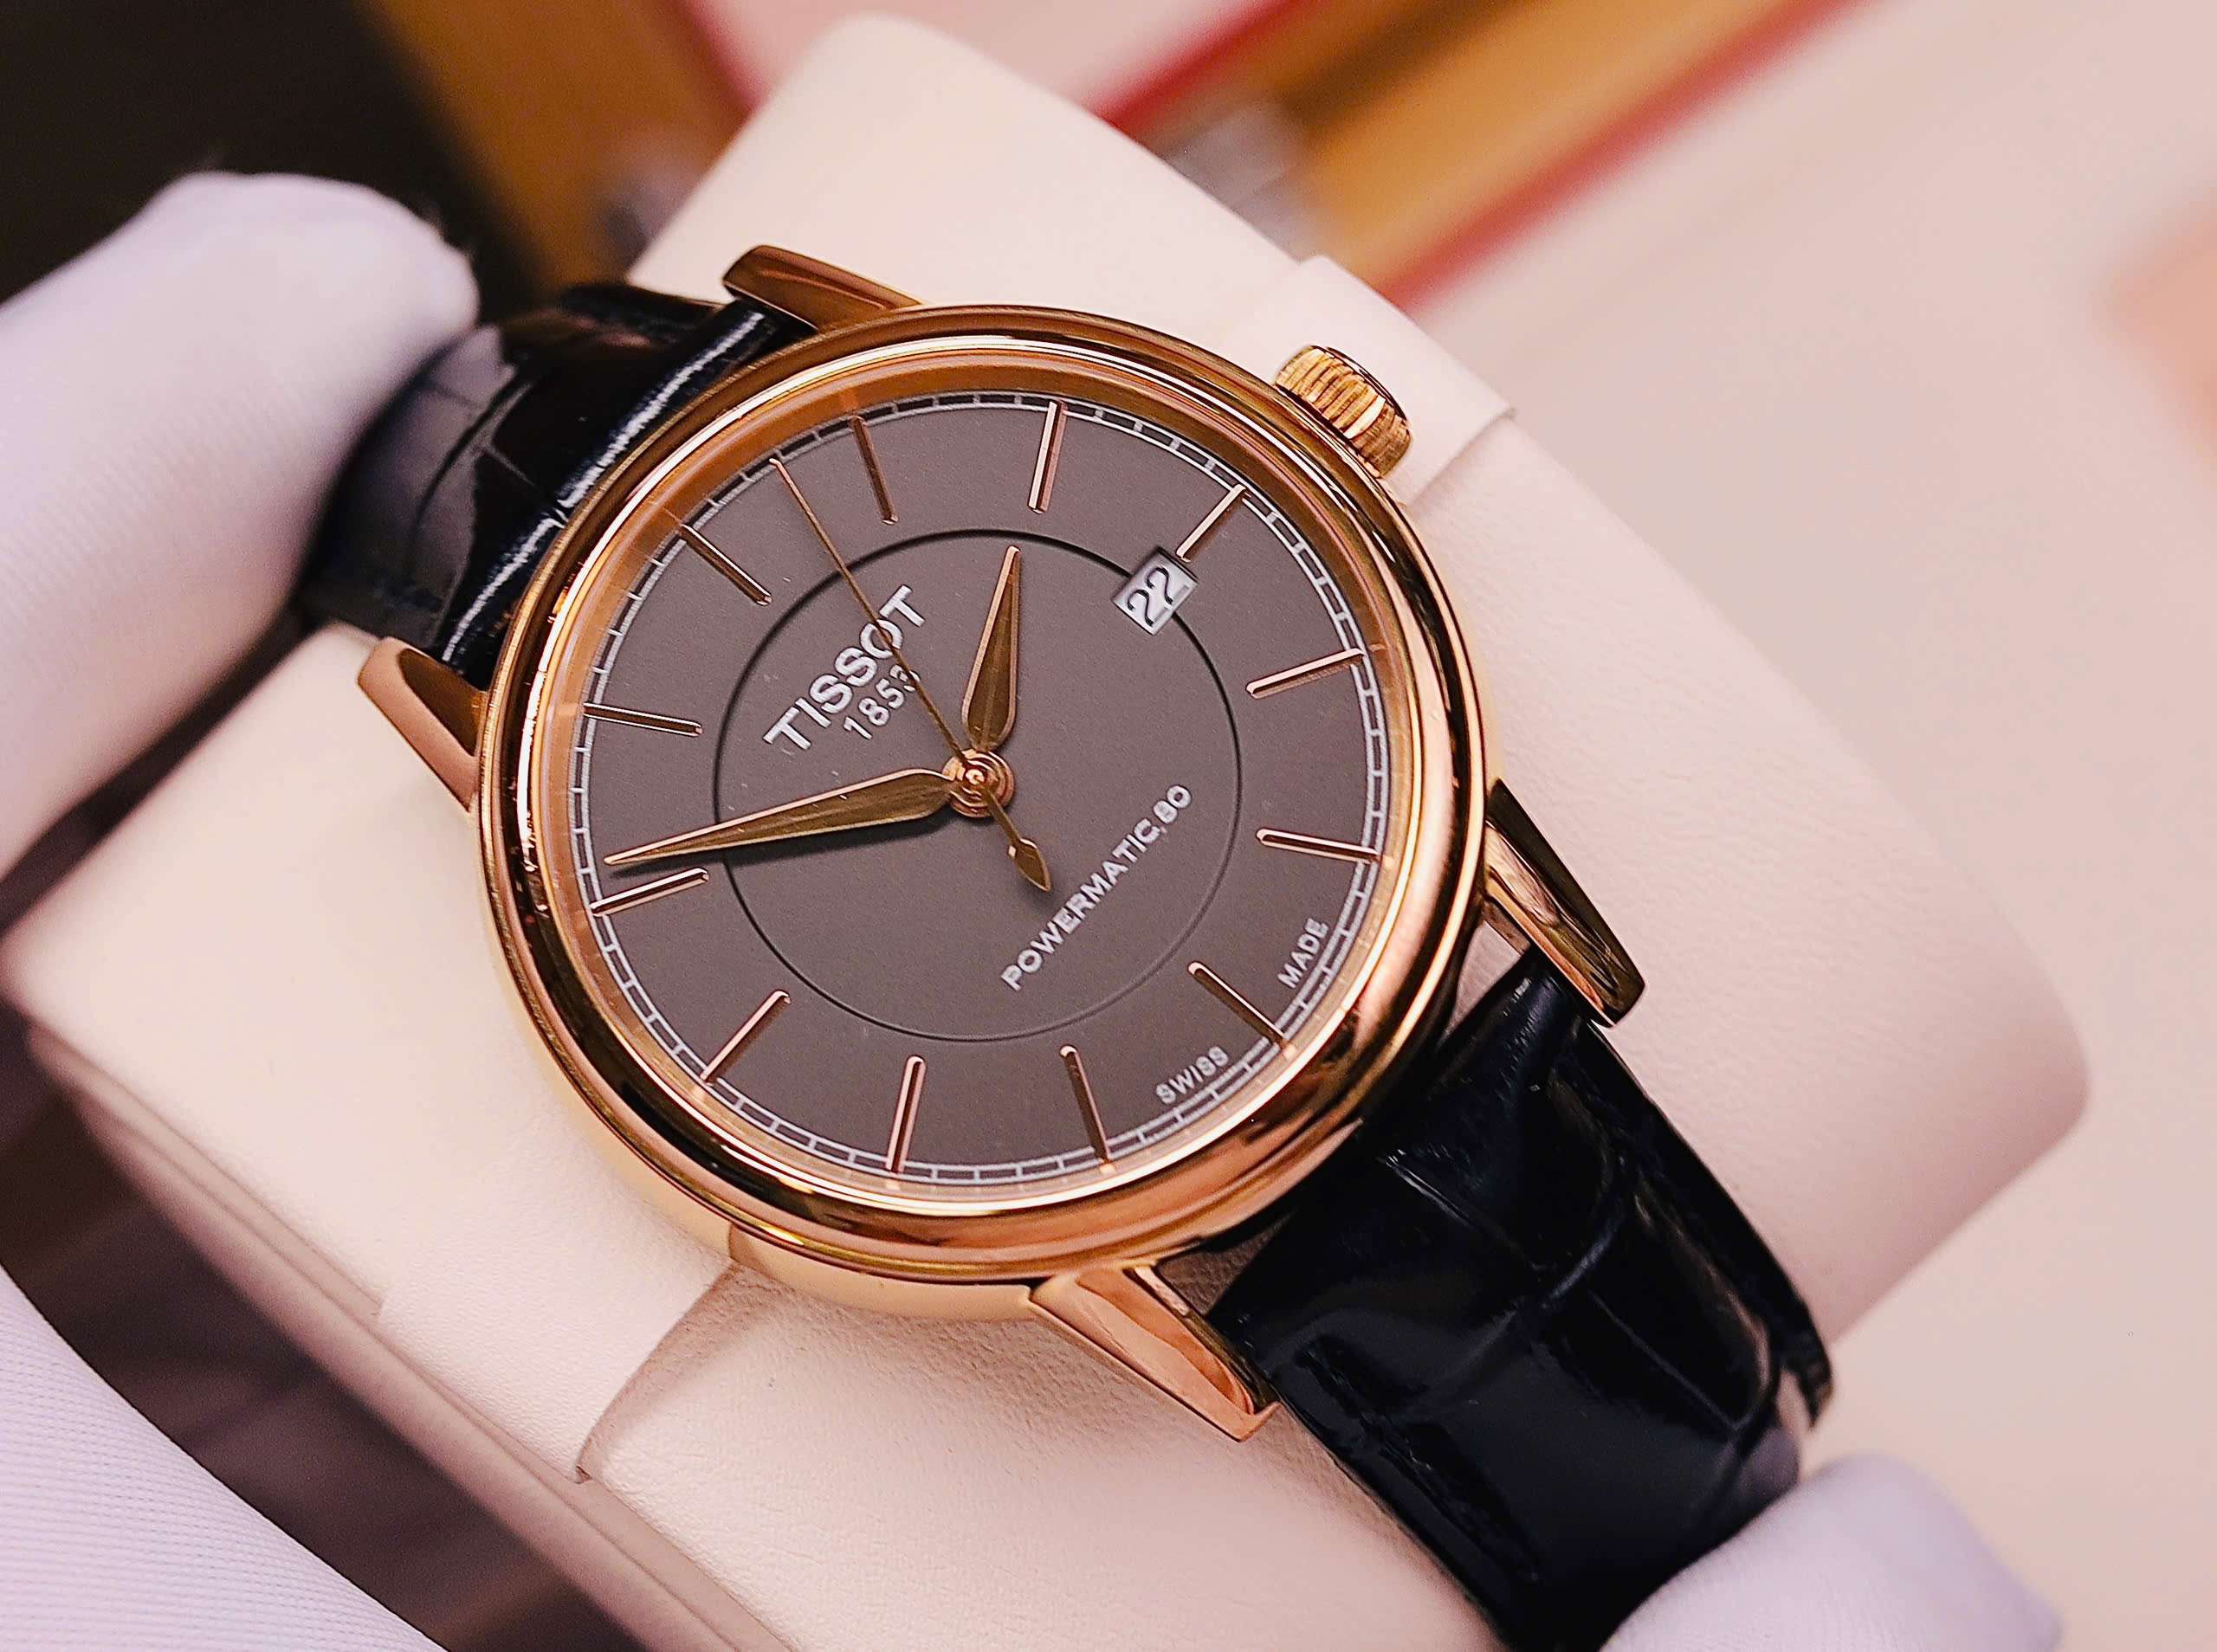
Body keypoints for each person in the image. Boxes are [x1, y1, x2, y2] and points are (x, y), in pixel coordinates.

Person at [0, 175, 2060, 1652]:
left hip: (1394, 975)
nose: (974, 782)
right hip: (1185, 1191)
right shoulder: (536, 797)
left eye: (965, 762)